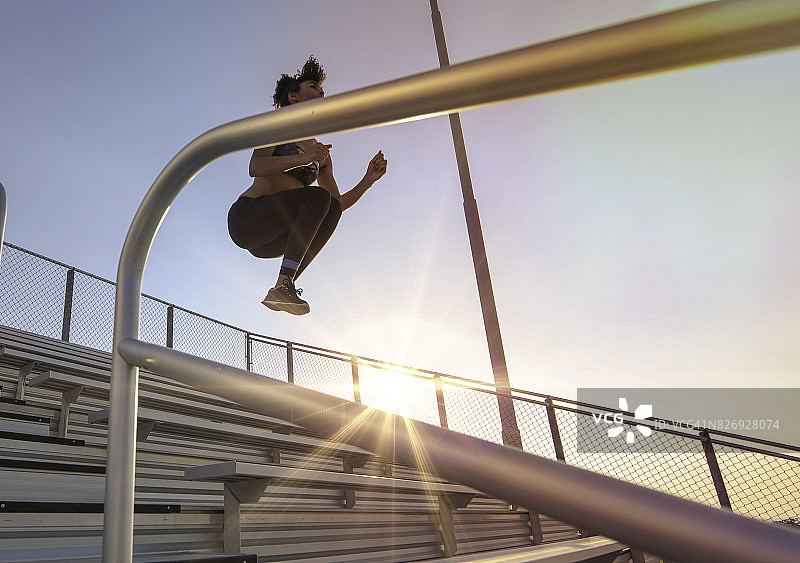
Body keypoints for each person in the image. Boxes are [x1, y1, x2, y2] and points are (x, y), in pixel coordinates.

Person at [228, 56, 387, 315]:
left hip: (274, 240)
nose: (321, 93)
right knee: (316, 197)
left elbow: (333, 206)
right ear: (294, 97)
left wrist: (367, 181)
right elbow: (255, 167)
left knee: (328, 205)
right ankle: (284, 284)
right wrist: (302, 158)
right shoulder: (277, 126)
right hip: (248, 218)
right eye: (314, 87)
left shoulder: (321, 153)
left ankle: (284, 285)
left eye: (323, 90)